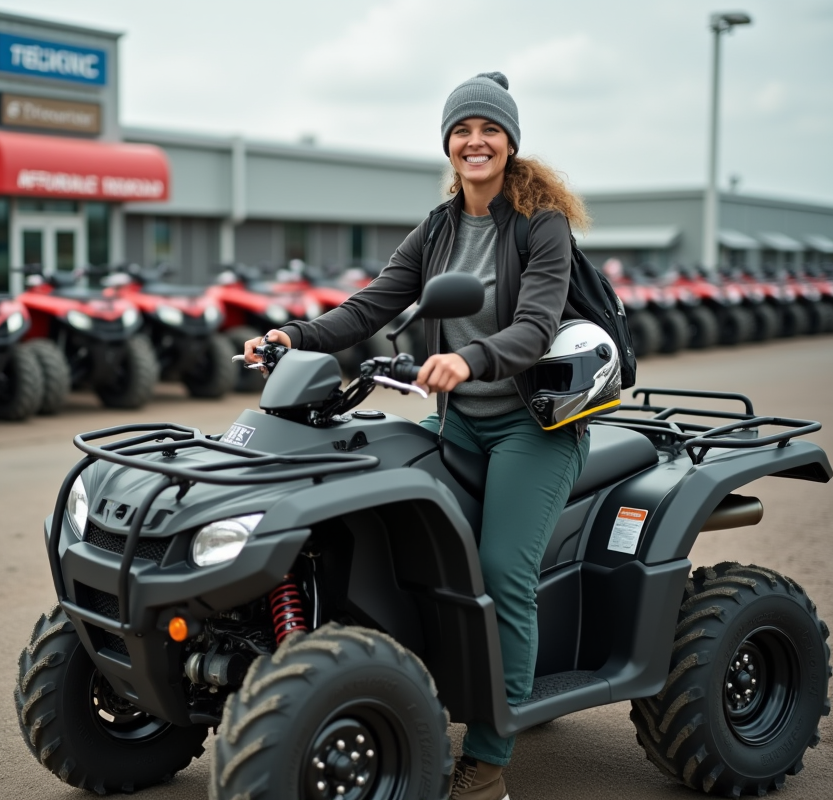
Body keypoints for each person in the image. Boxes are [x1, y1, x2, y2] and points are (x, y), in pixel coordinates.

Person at [243, 71, 592, 800]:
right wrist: (293, 335)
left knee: (499, 573)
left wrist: (470, 358)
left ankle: (492, 754)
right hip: (458, 422)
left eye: (489, 130)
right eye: (463, 130)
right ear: (448, 142)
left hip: (532, 427)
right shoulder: (436, 227)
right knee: (399, 538)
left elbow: (534, 326)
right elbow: (372, 305)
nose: (475, 141)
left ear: (510, 142)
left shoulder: (540, 224)